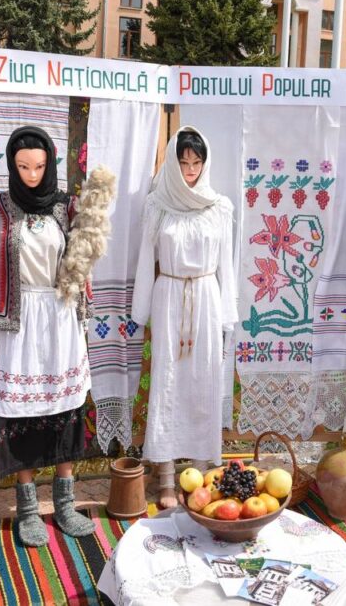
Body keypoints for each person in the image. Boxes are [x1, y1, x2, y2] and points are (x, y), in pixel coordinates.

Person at [0, 125, 108, 546]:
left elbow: (84, 260)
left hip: (60, 318)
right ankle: (27, 508)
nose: (30, 173)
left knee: (67, 409)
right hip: (21, 321)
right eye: (23, 166)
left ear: (50, 166)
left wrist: (81, 310)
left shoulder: (67, 208)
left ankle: (64, 504)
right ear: (10, 164)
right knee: (21, 414)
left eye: (39, 166)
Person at [131, 126, 237, 509]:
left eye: (197, 162)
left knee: (204, 380)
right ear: (173, 165)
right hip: (170, 295)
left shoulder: (219, 207)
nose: (191, 170)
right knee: (168, 383)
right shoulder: (158, 205)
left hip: (206, 296)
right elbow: (146, 259)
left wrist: (227, 314)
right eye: (184, 162)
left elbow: (227, 263)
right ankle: (164, 477)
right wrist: (140, 310)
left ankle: (201, 473)